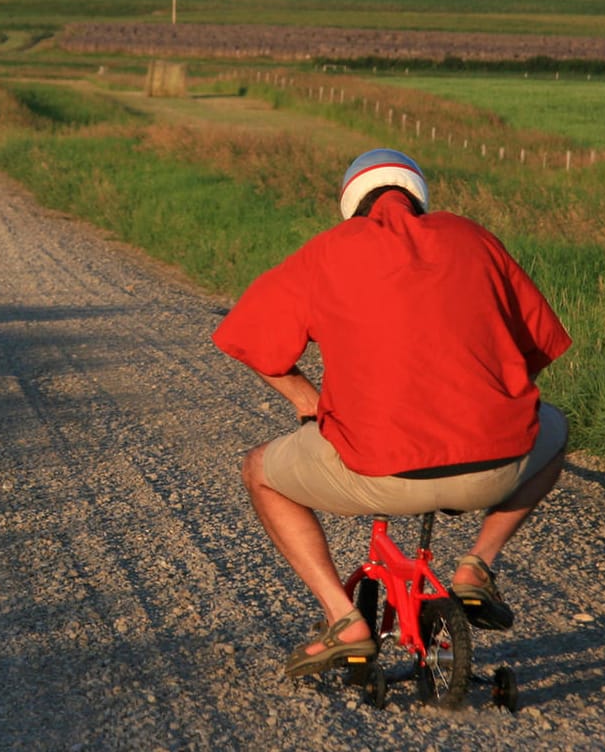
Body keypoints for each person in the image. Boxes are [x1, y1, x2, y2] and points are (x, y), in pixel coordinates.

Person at [212, 148, 571, 677]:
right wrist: (495, 402)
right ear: (419, 195)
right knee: (557, 429)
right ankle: (477, 566)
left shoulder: (329, 251)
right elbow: (540, 344)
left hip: (375, 471)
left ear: (350, 204)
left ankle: (343, 620)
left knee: (259, 473)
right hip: (492, 472)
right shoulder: (473, 238)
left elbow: (244, 337)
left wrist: (306, 402)